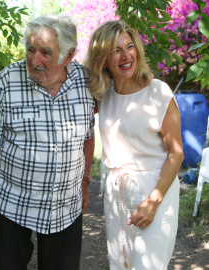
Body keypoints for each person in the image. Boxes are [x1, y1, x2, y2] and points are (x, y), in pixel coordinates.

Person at [0, 14, 95, 270]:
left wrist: (84, 182)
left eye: (46, 53)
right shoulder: (6, 82)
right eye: (31, 50)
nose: (35, 60)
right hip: (12, 203)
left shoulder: (86, 83)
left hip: (65, 206)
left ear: (69, 56)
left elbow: (87, 139)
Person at [84, 20, 184, 270]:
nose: (126, 55)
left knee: (147, 266)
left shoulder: (158, 92)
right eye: (115, 50)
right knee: (121, 265)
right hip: (115, 191)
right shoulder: (103, 95)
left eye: (130, 46)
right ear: (103, 59)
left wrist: (154, 200)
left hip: (154, 188)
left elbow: (176, 153)